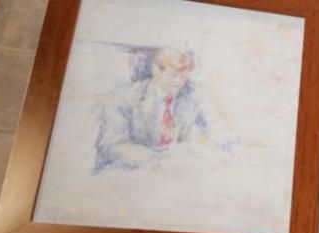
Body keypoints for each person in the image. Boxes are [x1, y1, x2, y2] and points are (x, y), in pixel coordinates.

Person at [95, 47, 233, 173]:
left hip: (175, 172)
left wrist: (230, 146)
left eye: (184, 76)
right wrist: (157, 159)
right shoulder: (122, 98)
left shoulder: (193, 94)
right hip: (130, 172)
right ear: (156, 70)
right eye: (174, 75)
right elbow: (113, 145)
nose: (179, 82)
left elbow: (215, 126)